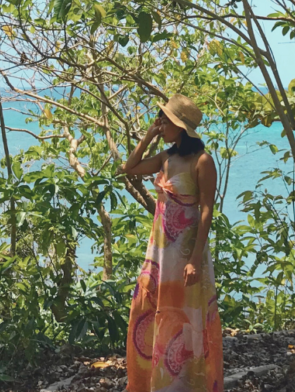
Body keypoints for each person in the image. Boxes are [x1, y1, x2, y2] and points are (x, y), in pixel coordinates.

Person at [120, 93, 224, 392]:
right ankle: (157, 380)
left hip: (186, 250)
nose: (161, 123)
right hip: (161, 249)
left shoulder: (202, 161)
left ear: (181, 126)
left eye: (166, 120)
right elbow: (130, 167)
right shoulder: (166, 158)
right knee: (150, 304)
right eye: (161, 119)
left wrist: (194, 258)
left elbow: (206, 210)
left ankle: (188, 383)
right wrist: (149, 136)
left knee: (187, 312)